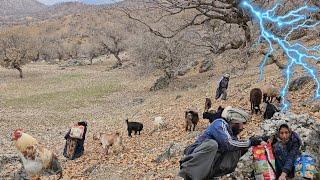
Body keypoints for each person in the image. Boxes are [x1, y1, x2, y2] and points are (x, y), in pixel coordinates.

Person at [179, 106, 265, 180]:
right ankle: (191, 173)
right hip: (195, 156)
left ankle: (209, 175)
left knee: (237, 149)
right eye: (242, 124)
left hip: (209, 164)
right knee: (212, 144)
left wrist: (257, 141)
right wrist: (250, 142)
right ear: (235, 122)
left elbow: (235, 145)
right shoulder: (219, 123)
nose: (242, 128)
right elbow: (228, 144)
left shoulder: (231, 134)